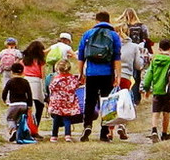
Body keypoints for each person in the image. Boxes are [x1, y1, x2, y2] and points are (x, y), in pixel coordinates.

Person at [77, 11, 122, 142]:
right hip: (107, 74)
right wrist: (117, 76)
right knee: (106, 103)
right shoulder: (113, 35)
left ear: (96, 21)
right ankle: (104, 132)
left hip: (91, 73)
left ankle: (87, 125)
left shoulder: (88, 34)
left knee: (89, 101)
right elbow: (117, 57)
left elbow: (81, 56)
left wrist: (81, 73)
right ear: (109, 21)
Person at [142, 39, 170, 141]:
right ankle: (164, 133)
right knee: (166, 112)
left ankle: (154, 130)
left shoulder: (154, 60)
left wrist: (146, 88)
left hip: (157, 90)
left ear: (159, 49)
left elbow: (148, 75)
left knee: (155, 112)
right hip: (168, 90)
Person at [47, 58, 82, 142]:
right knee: (67, 118)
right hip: (69, 101)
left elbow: (51, 87)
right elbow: (76, 86)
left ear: (58, 69)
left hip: (58, 102)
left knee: (56, 119)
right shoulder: (72, 78)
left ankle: (54, 136)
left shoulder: (56, 79)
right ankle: (67, 135)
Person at [1, 61, 36, 143]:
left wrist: (4, 100)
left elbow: (4, 92)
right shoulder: (25, 82)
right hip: (24, 104)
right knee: (20, 120)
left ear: (12, 72)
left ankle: (13, 131)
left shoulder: (10, 81)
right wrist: (30, 105)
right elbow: (29, 94)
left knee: (10, 119)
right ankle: (20, 134)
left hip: (14, 104)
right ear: (23, 71)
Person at [21, 40, 47, 129]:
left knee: (27, 106)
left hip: (26, 80)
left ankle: (25, 126)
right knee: (39, 105)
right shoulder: (40, 61)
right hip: (36, 82)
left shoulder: (25, 60)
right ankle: (35, 128)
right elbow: (43, 75)